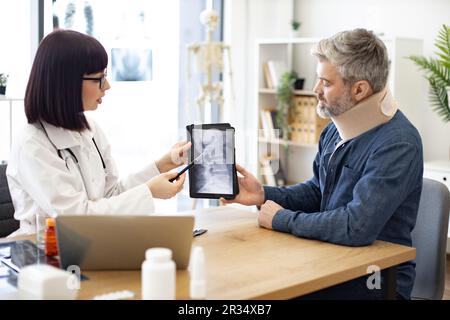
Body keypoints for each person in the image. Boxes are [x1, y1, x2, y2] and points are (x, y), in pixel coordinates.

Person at [223, 28, 423, 300]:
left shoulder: (398, 144)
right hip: (333, 259)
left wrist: (282, 219)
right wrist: (263, 194)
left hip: (376, 280)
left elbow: (356, 227)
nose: (315, 90)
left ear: (360, 89)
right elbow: (319, 191)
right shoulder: (334, 130)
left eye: (326, 83)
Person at [6, 29, 190, 236]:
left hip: (90, 243)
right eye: (99, 78)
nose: (107, 86)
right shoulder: (32, 143)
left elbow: (111, 196)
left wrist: (162, 165)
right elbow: (75, 217)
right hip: (42, 253)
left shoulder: (89, 129)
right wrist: (149, 192)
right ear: (68, 82)